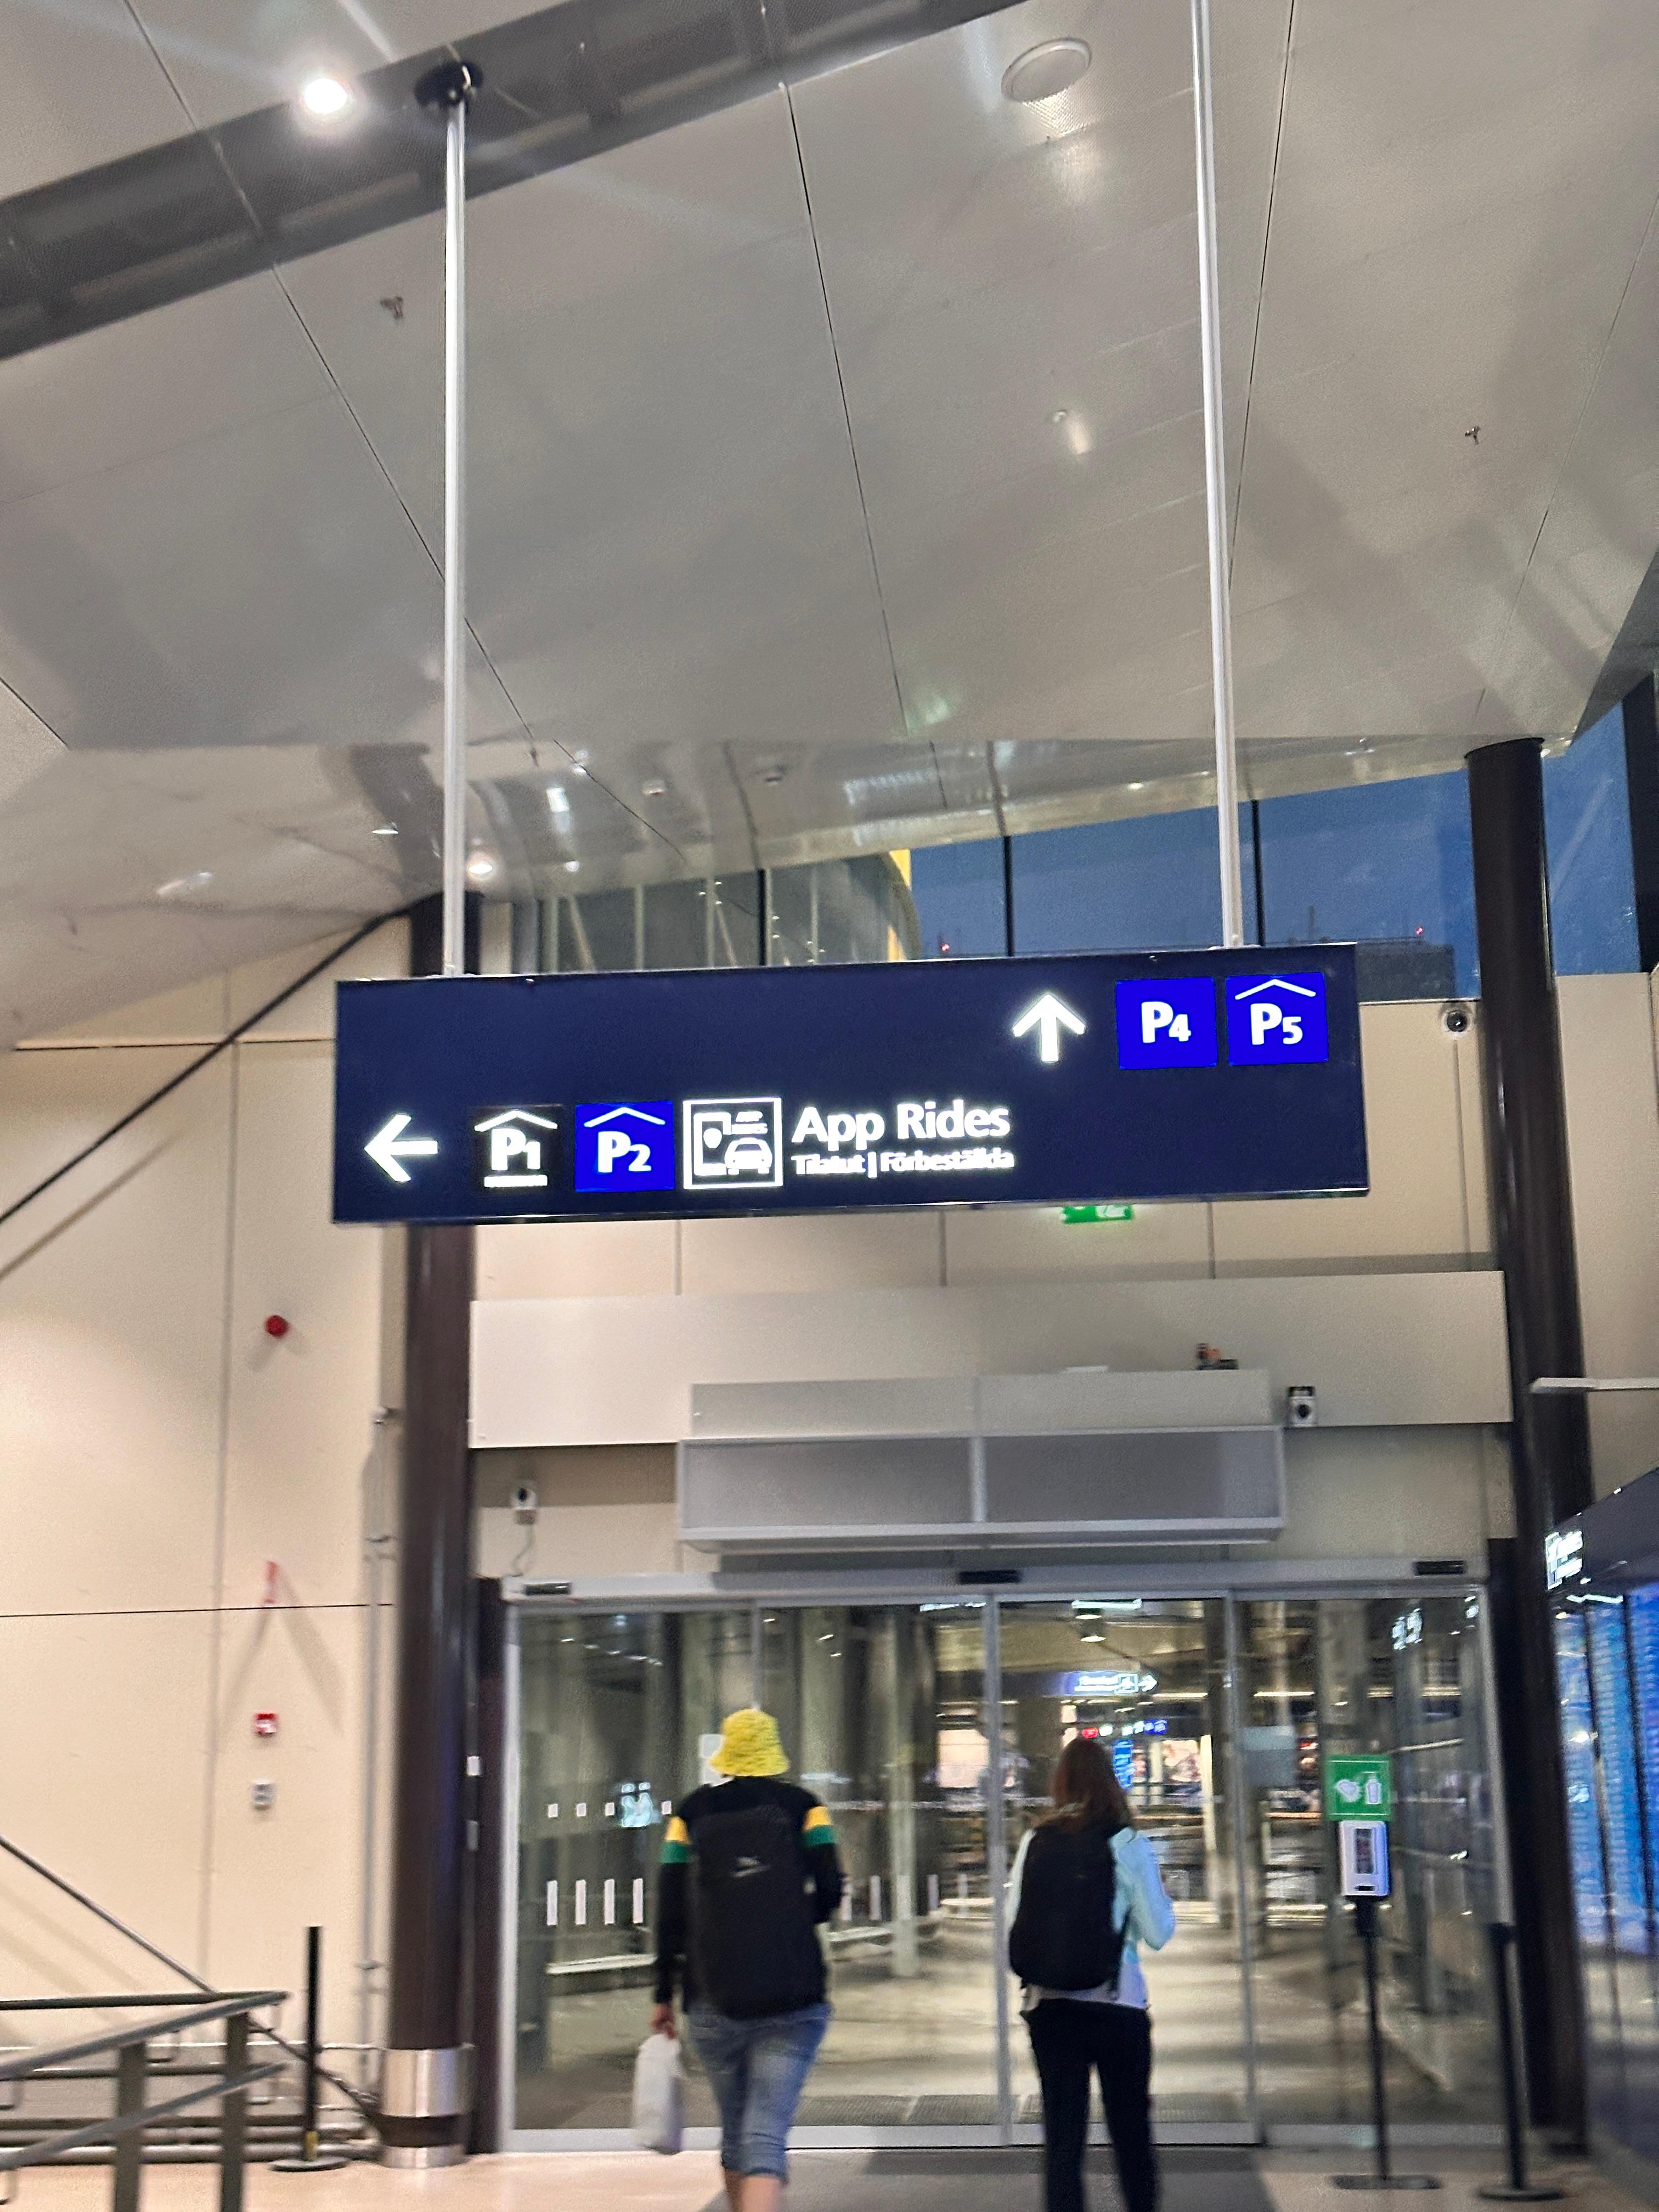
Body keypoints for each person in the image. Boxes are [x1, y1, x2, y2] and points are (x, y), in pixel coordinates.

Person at [652, 1708, 843, 2212]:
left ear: (727, 1753)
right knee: (765, 2136)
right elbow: (831, 1887)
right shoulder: (806, 1808)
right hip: (793, 1997)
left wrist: (662, 1993)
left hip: (712, 1997)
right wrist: (797, 1919)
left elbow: (670, 1909)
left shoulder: (689, 1814)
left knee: (736, 2131)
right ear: (774, 1751)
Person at [1008, 1736, 1177, 2212]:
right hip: (1118, 2006)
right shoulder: (1127, 1843)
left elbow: (1013, 1924)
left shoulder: (1036, 1841)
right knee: (1131, 2134)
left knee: (1063, 2143)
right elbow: (1158, 1932)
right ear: (1111, 1783)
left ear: (1060, 1784)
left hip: (1051, 2009)